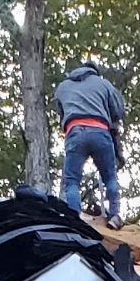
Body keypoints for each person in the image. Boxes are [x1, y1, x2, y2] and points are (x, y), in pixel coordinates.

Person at [56, 58, 125, 222]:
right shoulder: (104, 84)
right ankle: (115, 215)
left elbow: (61, 112)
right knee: (110, 177)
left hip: (75, 132)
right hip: (100, 131)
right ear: (95, 72)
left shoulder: (62, 87)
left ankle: (74, 218)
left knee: (72, 182)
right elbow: (118, 110)